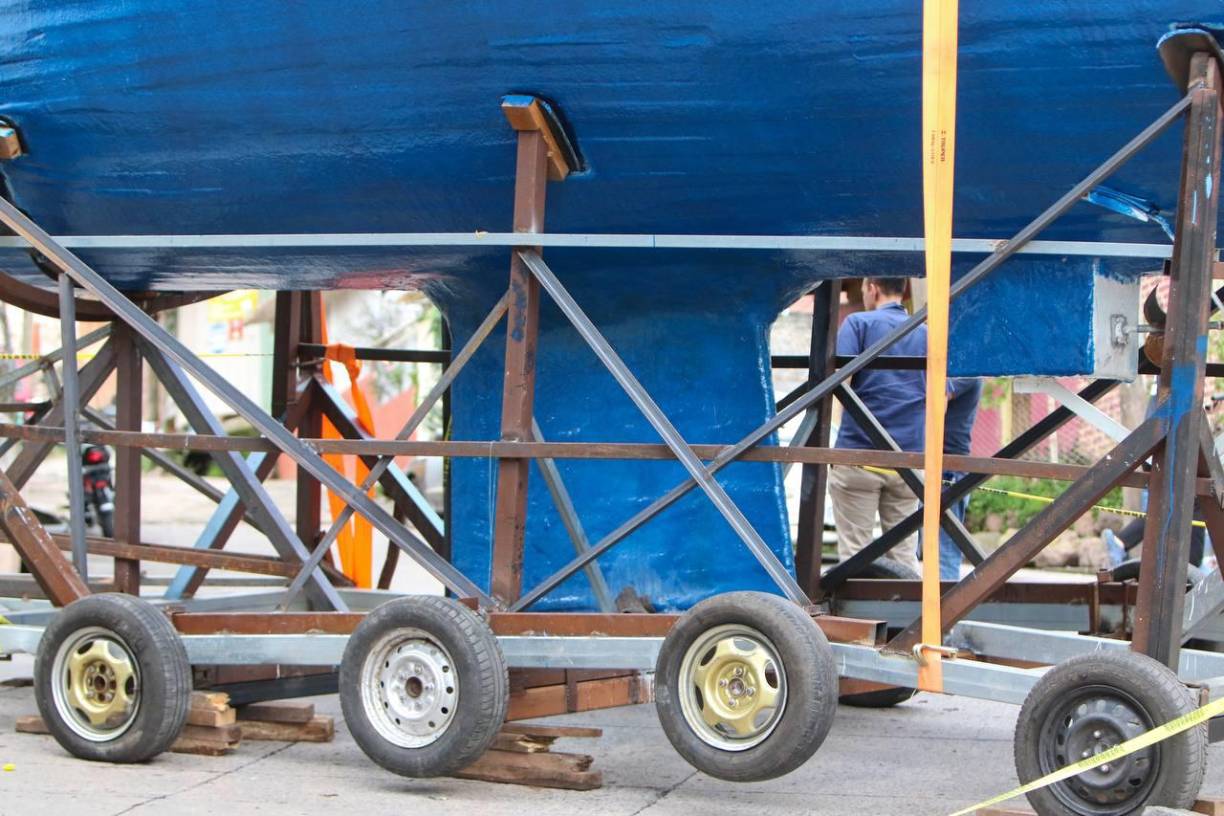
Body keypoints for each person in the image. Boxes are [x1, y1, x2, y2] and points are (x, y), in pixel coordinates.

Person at [829, 277, 927, 575]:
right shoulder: (926, 333)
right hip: (909, 459)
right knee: (903, 554)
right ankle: (907, 604)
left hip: (859, 454)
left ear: (872, 288)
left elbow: (838, 382)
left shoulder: (858, 323)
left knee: (854, 554)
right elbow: (940, 396)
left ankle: (856, 605)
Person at [935, 377, 982, 580]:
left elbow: (937, 395)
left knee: (944, 548)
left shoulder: (967, 372)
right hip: (934, 461)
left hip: (949, 466)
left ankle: (948, 597)